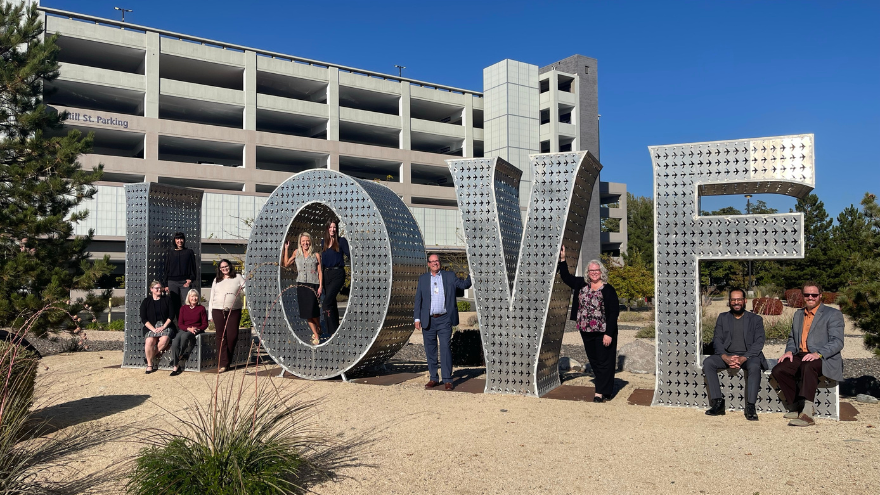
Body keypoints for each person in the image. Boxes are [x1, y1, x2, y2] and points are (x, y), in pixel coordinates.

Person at [771, 281, 844, 427]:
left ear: (820, 296)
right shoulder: (798, 314)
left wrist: (819, 353)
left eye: (814, 294)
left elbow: (837, 342)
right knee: (779, 369)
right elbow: (792, 337)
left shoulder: (833, 314)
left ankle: (807, 413)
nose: (811, 297)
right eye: (807, 294)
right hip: (801, 354)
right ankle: (796, 405)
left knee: (808, 366)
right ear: (803, 296)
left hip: (824, 357)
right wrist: (789, 351)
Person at [558, 247, 620, 402]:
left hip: (603, 331)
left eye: (596, 270)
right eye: (591, 270)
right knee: (594, 361)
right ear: (588, 272)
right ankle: (605, 390)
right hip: (586, 330)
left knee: (605, 361)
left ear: (601, 272)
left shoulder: (608, 289)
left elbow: (613, 313)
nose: (594, 273)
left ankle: (600, 392)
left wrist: (608, 333)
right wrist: (563, 259)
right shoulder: (581, 284)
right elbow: (566, 277)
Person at [702, 288, 768, 420]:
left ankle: (750, 406)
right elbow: (717, 339)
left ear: (745, 301)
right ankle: (718, 402)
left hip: (749, 356)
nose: (736, 302)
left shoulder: (756, 319)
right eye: (733, 300)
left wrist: (744, 357)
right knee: (708, 362)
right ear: (729, 301)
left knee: (755, 366)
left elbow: (759, 342)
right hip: (728, 355)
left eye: (739, 299)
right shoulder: (723, 318)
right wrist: (725, 357)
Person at [414, 253, 472, 391]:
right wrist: (417, 318)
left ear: (440, 263)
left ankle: (447, 379)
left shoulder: (449, 276)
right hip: (428, 320)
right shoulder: (422, 279)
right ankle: (433, 378)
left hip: (444, 319)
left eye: (437, 261)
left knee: (445, 348)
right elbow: (418, 300)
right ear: (428, 264)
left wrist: (472, 272)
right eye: (432, 261)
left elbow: (464, 285)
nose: (435, 263)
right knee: (430, 350)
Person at [283, 233, 323, 345]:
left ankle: (319, 326)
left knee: (313, 310)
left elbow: (320, 272)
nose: (305, 243)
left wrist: (320, 286)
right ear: (300, 242)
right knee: (306, 312)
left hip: (313, 284)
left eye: (307, 241)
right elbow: (286, 264)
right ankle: (316, 334)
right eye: (303, 241)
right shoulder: (297, 253)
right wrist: (286, 249)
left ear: (310, 242)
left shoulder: (316, 255)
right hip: (301, 285)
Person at [208, 259, 246, 372]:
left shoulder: (237, 277)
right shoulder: (216, 280)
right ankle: (224, 363)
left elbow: (247, 289)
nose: (224, 268)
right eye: (222, 267)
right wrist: (210, 314)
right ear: (219, 269)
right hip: (217, 310)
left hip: (233, 310)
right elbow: (211, 298)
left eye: (226, 266)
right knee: (221, 336)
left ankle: (227, 360)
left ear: (230, 266)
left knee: (232, 336)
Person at [320, 219, 350, 337]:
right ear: (327, 229)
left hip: (338, 274)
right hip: (327, 274)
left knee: (326, 303)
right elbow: (322, 262)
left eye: (334, 227)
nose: (332, 230)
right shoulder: (324, 242)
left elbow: (349, 255)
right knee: (331, 303)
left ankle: (332, 332)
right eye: (330, 227)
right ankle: (335, 330)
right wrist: (320, 282)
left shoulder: (341, 241)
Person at [169, 288, 208, 376]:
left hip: (195, 330)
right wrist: (188, 328)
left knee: (184, 337)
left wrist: (197, 329)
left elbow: (205, 324)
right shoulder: (183, 308)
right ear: (188, 297)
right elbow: (180, 323)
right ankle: (177, 362)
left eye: (196, 296)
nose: (194, 298)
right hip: (185, 329)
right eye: (192, 296)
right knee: (175, 343)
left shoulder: (201, 308)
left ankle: (176, 363)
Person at [140, 280, 175, 374]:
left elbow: (171, 316)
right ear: (151, 289)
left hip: (165, 325)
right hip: (151, 326)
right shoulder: (146, 301)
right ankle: (150, 365)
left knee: (164, 340)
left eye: (160, 288)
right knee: (149, 341)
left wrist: (163, 327)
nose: (159, 289)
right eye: (157, 288)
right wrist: (153, 329)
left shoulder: (167, 299)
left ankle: (150, 357)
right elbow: (143, 318)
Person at [163, 232, 197, 319]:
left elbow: (193, 267)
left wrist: (191, 279)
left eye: (181, 239)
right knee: (175, 304)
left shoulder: (189, 252)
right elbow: (166, 269)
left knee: (188, 303)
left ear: (184, 240)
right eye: (177, 239)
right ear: (174, 240)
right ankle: (179, 326)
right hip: (172, 282)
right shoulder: (170, 253)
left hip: (184, 282)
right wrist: (165, 284)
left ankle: (189, 323)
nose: (179, 241)